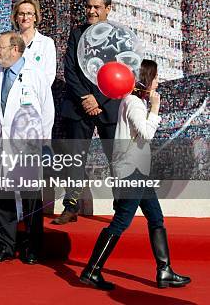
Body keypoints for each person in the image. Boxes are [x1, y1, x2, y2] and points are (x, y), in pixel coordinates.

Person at [80, 60, 191, 290]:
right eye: (156, 77)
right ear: (146, 80)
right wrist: (155, 108)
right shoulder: (134, 103)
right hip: (132, 173)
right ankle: (92, 271)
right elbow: (146, 133)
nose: (158, 81)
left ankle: (165, 271)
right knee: (121, 221)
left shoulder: (132, 101)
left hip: (137, 171)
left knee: (156, 218)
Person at [0, 32, 54, 265]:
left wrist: (44, 143)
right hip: (0, 143)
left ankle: (33, 248)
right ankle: (6, 247)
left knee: (30, 200)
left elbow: (47, 111)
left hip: (28, 145)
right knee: (3, 198)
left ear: (15, 49)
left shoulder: (35, 74)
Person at [54, 0, 120, 224]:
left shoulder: (118, 37)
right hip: (79, 106)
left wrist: (98, 99)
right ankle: (71, 206)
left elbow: (120, 72)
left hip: (108, 106)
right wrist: (85, 97)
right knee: (75, 158)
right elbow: (70, 69)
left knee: (115, 158)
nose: (91, 11)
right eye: (89, 7)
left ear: (108, 9)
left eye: (97, 7)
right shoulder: (77, 34)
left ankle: (120, 207)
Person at [11, 0, 56, 85]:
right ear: (16, 17)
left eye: (29, 13)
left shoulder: (46, 43)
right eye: (21, 14)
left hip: (37, 95)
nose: (25, 17)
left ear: (35, 17)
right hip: (14, 94)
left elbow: (49, 75)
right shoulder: (10, 42)